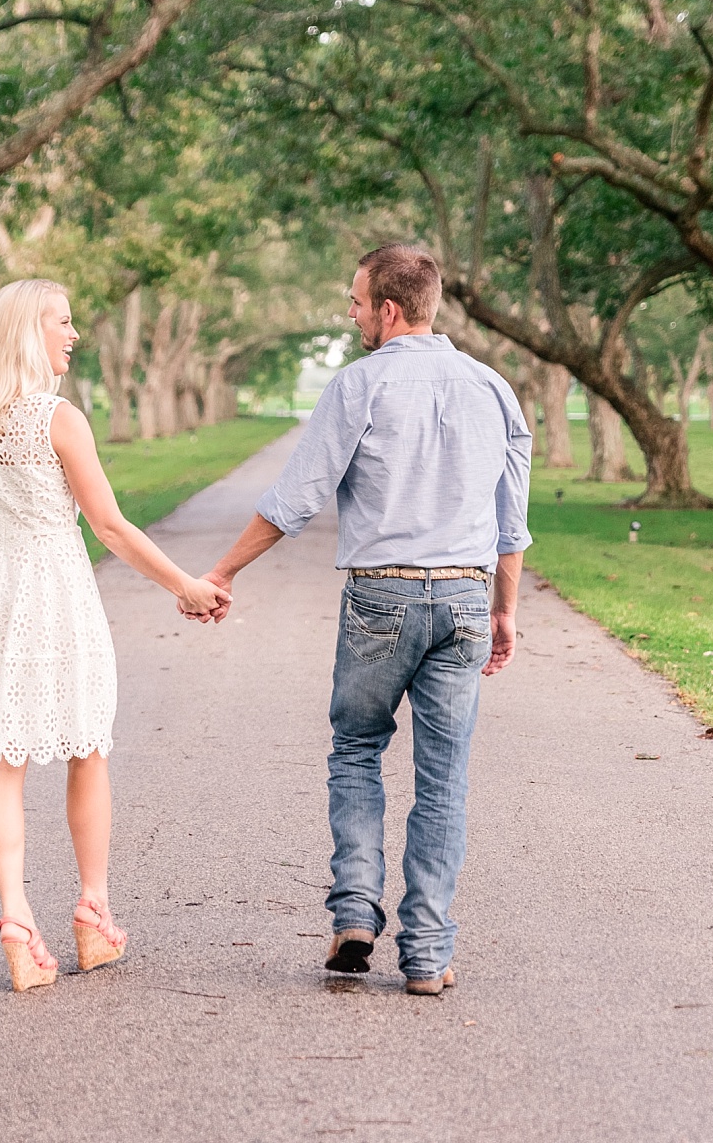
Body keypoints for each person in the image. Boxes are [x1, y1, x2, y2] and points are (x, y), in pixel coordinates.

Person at [188, 244, 531, 996]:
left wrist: (222, 571)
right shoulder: (493, 389)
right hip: (468, 599)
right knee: (443, 779)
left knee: (357, 752)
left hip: (384, 594)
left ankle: (353, 913)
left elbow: (296, 498)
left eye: (353, 302)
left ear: (388, 308)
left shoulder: (361, 385)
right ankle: (428, 955)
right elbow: (511, 524)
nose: (349, 315)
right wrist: (504, 610)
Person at [0, 277, 228, 992]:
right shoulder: (57, 418)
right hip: (55, 593)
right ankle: (93, 914)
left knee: (2, 762)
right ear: (27, 332)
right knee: (86, 748)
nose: (73, 335)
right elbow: (110, 527)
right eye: (61, 322)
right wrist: (184, 585)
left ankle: (15, 918)